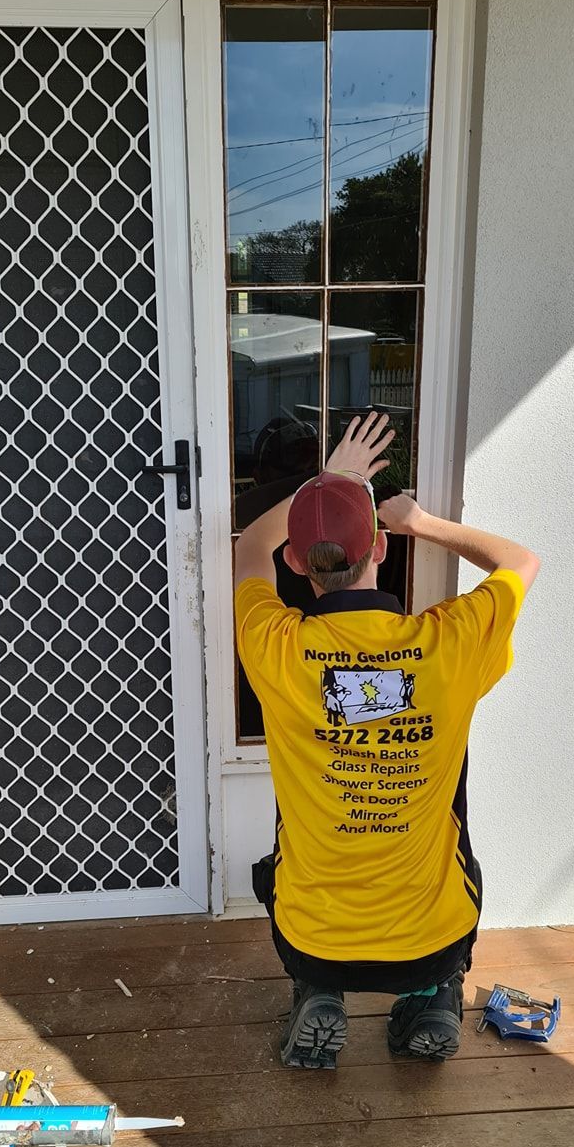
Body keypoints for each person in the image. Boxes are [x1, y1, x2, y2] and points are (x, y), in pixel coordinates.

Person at [234, 412, 540, 1068]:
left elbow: (246, 550)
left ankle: (318, 990)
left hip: (313, 937)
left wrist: (331, 477)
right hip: (433, 936)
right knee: (459, 851)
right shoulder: (447, 644)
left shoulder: (278, 648)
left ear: (296, 563)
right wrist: (418, 521)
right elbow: (521, 561)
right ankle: (431, 995)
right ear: (381, 549)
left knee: (283, 863)